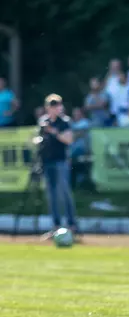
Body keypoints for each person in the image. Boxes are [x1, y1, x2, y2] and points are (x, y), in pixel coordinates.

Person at [37, 94, 78, 239]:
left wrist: (53, 131)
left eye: (57, 105)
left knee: (64, 192)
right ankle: (56, 226)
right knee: (51, 195)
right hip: (47, 161)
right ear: (47, 107)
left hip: (61, 161)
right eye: (52, 106)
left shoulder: (64, 122)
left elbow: (69, 140)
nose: (55, 108)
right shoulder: (43, 121)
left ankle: (72, 225)